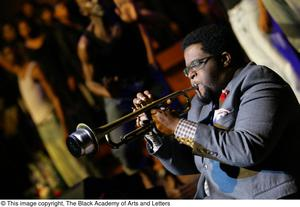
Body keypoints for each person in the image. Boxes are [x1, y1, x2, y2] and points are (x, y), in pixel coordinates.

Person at [133, 24, 300, 199]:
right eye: (187, 69)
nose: (190, 75)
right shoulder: (200, 104)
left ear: (225, 59)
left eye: (196, 65)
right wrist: (154, 131)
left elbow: (247, 150)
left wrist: (177, 125)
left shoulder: (259, 82)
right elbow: (193, 162)